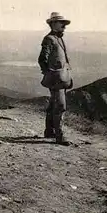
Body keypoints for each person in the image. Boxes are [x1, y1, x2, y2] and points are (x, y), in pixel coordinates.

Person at [38, 12, 73, 146]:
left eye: (64, 23)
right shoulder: (49, 39)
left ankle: (49, 131)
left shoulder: (57, 38)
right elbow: (42, 59)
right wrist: (49, 73)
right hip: (57, 79)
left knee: (53, 104)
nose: (64, 25)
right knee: (60, 106)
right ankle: (60, 136)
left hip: (61, 78)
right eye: (61, 23)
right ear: (53, 24)